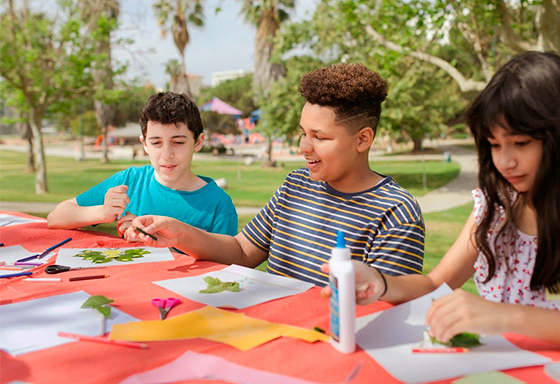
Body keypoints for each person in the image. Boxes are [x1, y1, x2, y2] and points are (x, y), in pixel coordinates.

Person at [324, 52, 560, 355]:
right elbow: (435, 284)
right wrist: (379, 282)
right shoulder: (497, 209)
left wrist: (507, 317)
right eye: (494, 145)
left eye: (521, 143)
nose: (505, 161)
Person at [131, 63, 425, 287]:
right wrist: (178, 232)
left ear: (362, 139)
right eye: (302, 133)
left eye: (319, 137)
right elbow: (241, 251)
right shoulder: (296, 186)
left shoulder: (396, 212)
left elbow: (385, 307)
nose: (303, 147)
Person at [47, 92, 238, 238]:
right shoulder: (130, 181)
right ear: (144, 144)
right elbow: (55, 218)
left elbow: (225, 273)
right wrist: (102, 213)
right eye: (156, 143)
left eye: (178, 142)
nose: (166, 154)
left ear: (198, 142)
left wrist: (154, 241)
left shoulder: (218, 205)